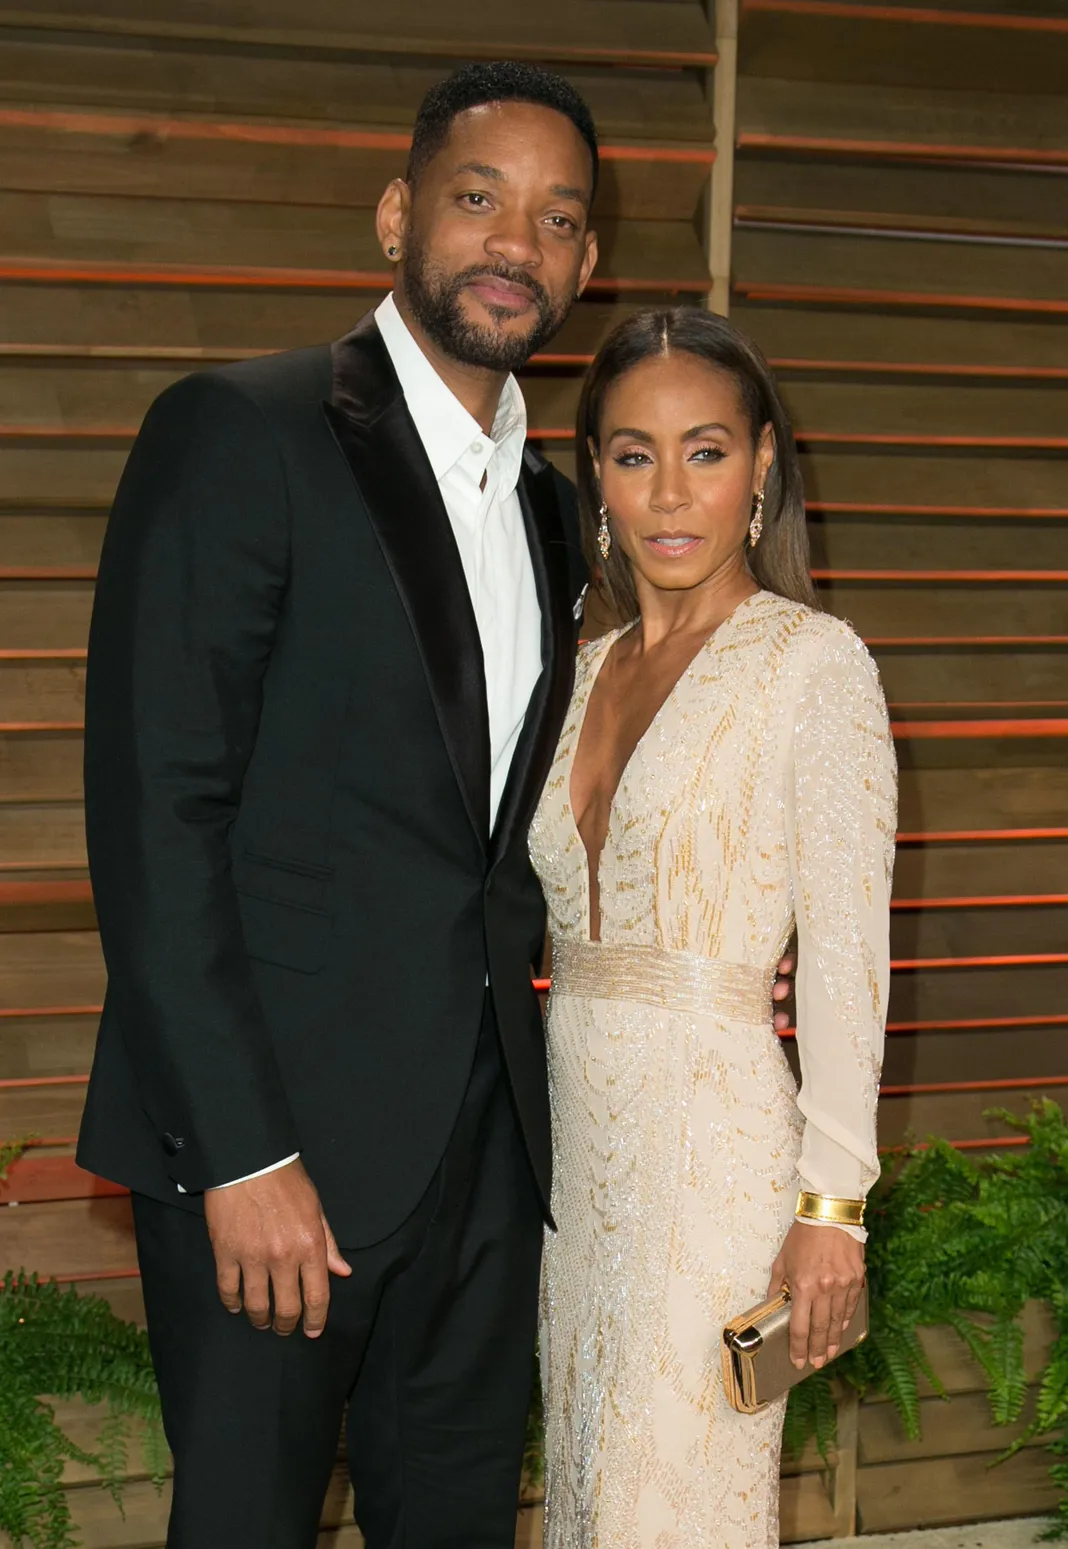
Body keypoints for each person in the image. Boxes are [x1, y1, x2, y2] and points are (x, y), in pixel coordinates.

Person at [77, 61, 601, 1549]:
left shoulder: (556, 509)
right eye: (479, 197)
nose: (517, 242)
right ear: (395, 215)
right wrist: (240, 1155)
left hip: (487, 1162)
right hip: (276, 1155)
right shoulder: (242, 431)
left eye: (559, 218)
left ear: (585, 265)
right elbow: (156, 815)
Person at [529, 308, 897, 1547]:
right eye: (635, 455)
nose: (672, 493)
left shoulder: (814, 665)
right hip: (577, 1171)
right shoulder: (579, 672)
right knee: (590, 1492)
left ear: (763, 465)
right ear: (597, 477)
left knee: (670, 1505)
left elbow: (847, 959)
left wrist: (832, 1209)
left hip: (718, 1162)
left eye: (707, 450)